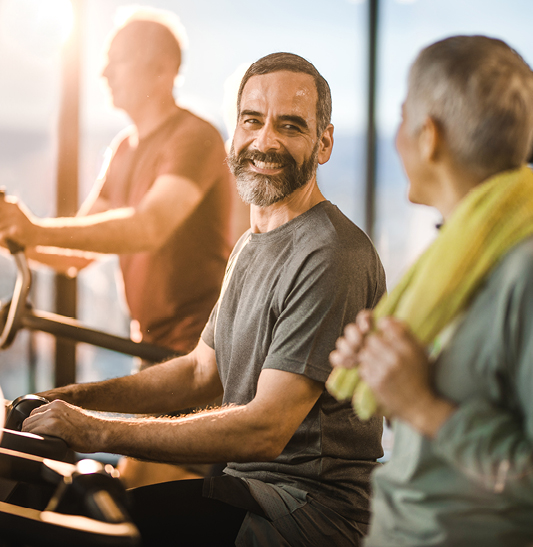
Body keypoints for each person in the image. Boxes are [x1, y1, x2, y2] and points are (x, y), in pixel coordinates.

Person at [21, 52, 386, 546]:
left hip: (305, 510)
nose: (265, 142)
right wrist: (67, 401)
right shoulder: (252, 243)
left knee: (88, 533)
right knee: (66, 507)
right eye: (252, 122)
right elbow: (200, 372)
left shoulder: (331, 254)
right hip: (247, 487)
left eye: (290, 126)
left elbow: (265, 430)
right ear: (234, 133)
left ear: (324, 143)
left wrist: (96, 431)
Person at [0, 8, 234, 486]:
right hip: (150, 351)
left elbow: (150, 226)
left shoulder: (196, 137)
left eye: (118, 60)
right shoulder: (124, 149)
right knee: (124, 488)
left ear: (161, 70)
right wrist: (14, 233)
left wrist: (35, 229)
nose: (104, 72)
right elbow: (73, 256)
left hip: (197, 355)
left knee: (136, 497)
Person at [330, 35, 533, 547]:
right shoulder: (458, 254)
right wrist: (389, 377)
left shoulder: (523, 271)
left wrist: (420, 404)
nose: (395, 137)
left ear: (429, 137)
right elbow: (474, 407)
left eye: (402, 118)